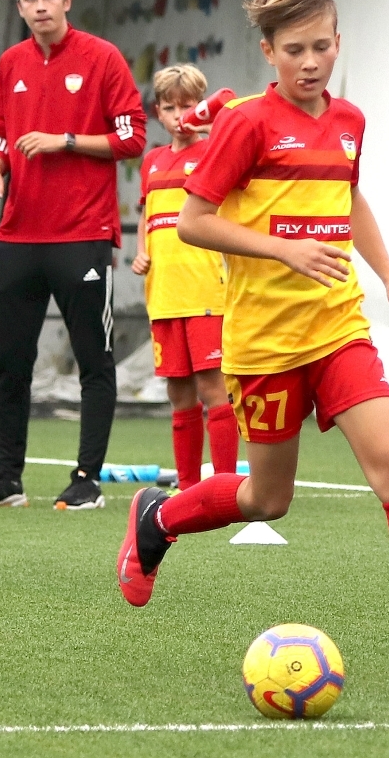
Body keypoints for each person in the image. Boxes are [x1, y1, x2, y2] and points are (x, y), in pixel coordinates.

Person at [116, 0, 389, 691]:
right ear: (268, 51)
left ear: (338, 41)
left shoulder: (349, 121)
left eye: (322, 46)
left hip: (338, 329)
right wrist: (282, 249)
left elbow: (350, 198)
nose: (309, 62)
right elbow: (195, 222)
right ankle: (158, 518)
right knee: (267, 500)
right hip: (264, 343)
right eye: (294, 49)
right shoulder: (246, 124)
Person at [0, 0, 147, 511]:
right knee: (12, 365)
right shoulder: (11, 62)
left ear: (67, 1)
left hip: (82, 234)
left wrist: (65, 140)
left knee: (93, 362)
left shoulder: (102, 57)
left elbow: (132, 138)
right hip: (17, 236)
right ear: (20, 7)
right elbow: (2, 133)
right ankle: (6, 478)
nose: (40, 7)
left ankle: (86, 479)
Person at [132, 64, 238, 490]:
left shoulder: (213, 152)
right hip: (163, 294)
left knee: (214, 389)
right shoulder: (152, 162)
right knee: (179, 395)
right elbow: (146, 214)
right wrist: (141, 250)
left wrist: (214, 121)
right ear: (158, 112)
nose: (179, 116)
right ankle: (190, 490)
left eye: (188, 106)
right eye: (170, 107)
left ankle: (226, 486)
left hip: (204, 291)